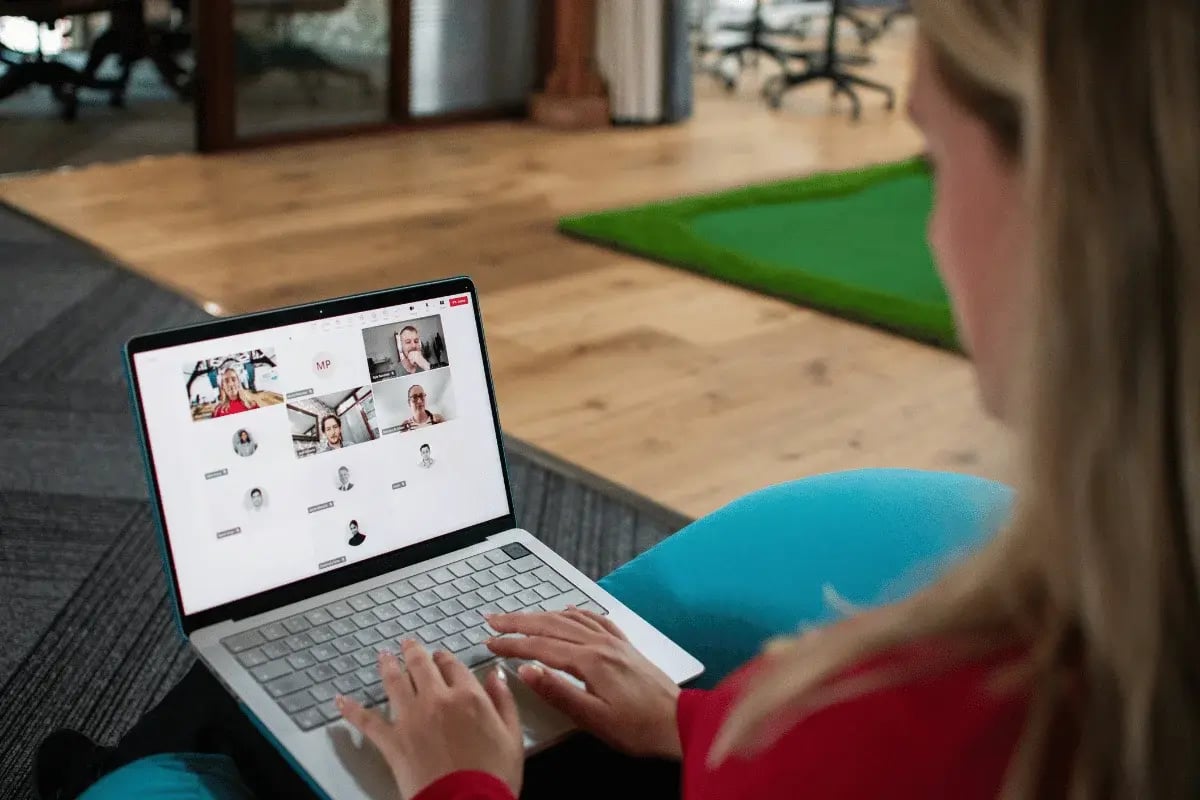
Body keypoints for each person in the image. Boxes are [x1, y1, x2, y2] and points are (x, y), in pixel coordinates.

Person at [34, 0, 1200, 798]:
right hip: (691, 740)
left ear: (1076, 217)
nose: (935, 232)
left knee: (248, 669)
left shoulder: (970, 712)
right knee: (324, 650)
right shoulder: (1110, 647)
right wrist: (686, 723)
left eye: (934, 165)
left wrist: (463, 784)